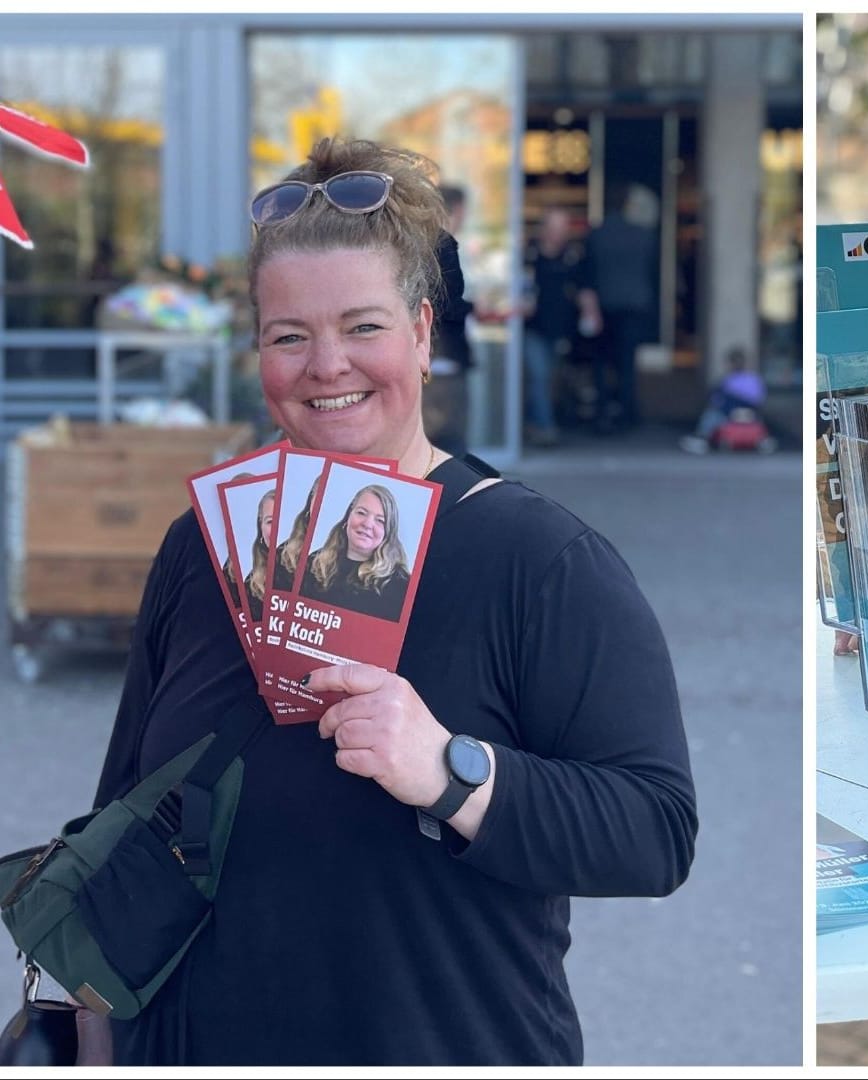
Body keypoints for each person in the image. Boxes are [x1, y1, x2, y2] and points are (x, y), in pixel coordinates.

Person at [93, 137, 697, 1065]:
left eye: (363, 326)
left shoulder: (538, 560)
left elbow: (655, 830)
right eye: (289, 336)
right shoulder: (206, 545)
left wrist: (453, 771)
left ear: (422, 332)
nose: (326, 365)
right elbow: (121, 813)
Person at [585, 182, 660, 433]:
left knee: (601, 364)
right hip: (635, 305)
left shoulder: (597, 234)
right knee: (627, 363)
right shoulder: (644, 236)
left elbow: (589, 274)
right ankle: (628, 413)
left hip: (605, 306)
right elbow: (652, 273)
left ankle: (602, 412)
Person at [524, 208, 598, 448]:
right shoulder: (529, 252)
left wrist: (591, 313)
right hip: (531, 326)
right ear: (544, 228)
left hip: (561, 328)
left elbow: (584, 288)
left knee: (549, 379)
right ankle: (546, 428)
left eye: (563, 228)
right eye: (555, 228)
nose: (559, 234)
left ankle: (533, 421)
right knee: (540, 375)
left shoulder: (573, 255)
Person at [297, 484, 411, 622]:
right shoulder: (314, 563)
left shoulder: (401, 584)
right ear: (348, 517)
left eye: (380, 520)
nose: (367, 524)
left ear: (387, 532)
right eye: (361, 513)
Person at [422, 183, 472, 456]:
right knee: (450, 450)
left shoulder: (419, 246)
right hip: (442, 363)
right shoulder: (440, 245)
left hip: (430, 364)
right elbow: (447, 306)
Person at [679, 346, 778, 454]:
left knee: (712, 415)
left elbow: (716, 400)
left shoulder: (729, 380)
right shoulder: (752, 378)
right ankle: (763, 439)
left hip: (734, 412)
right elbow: (760, 399)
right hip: (749, 412)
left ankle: (702, 439)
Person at [243, 487, 276, 624]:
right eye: (270, 522)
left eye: (282, 520)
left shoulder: (314, 575)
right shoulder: (250, 585)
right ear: (260, 528)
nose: (277, 529)